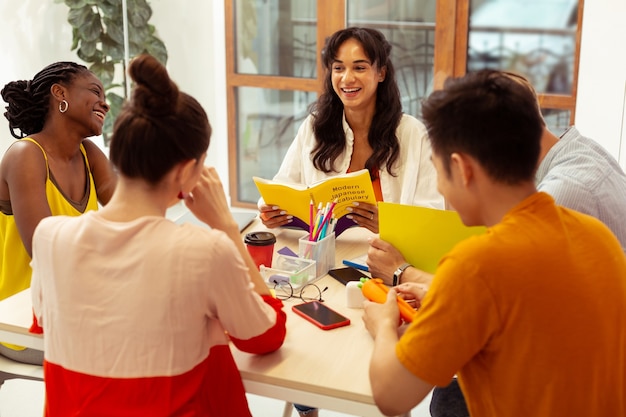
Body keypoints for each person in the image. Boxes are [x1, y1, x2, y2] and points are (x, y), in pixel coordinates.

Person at [30, 54, 287, 416]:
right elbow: (265, 336)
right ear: (186, 172)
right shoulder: (205, 250)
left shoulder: (50, 237)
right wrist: (227, 227)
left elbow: (47, 320)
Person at [362, 69, 626, 417]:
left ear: (463, 169)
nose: (440, 188)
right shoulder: (597, 237)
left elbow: (390, 396)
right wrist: (449, 297)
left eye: (437, 169)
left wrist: (382, 325)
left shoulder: (474, 265)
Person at [259, 27, 443, 238]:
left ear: (381, 73)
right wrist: (270, 212)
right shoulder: (314, 126)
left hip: (383, 260)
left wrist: (390, 223)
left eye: (359, 68)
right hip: (323, 257)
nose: (347, 79)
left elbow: (432, 215)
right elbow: (282, 185)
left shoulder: (412, 133)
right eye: (338, 68)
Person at [0, 61, 116, 364]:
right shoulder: (26, 155)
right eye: (94, 91)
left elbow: (132, 219)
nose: (105, 102)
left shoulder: (90, 155)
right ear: (59, 93)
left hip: (77, 308)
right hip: (25, 323)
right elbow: (46, 250)